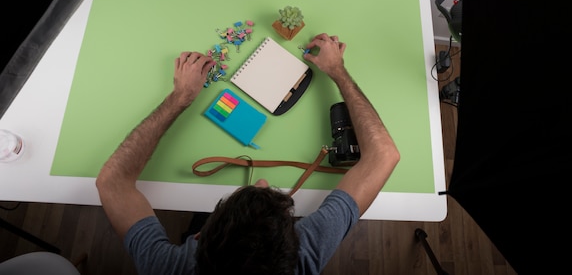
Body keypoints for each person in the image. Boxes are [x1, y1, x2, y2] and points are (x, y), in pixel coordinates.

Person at [96, 33, 400, 275]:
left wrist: (179, 98)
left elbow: (112, 182)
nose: (264, 181)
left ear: (199, 238)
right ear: (298, 243)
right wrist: (338, 72)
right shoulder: (303, 259)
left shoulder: (166, 267)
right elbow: (384, 155)